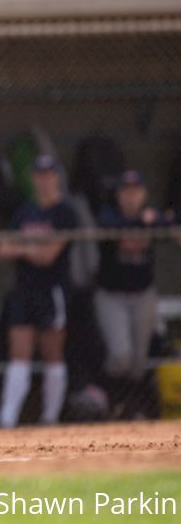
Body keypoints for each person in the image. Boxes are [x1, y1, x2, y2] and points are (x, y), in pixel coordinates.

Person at [0, 154, 78, 428]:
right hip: (24, 289)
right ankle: (7, 419)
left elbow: (49, 256)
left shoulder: (65, 211)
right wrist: (31, 248)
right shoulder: (25, 211)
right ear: (33, 178)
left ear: (57, 177)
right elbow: (3, 249)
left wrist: (26, 248)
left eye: (49, 174)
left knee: (52, 352)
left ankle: (50, 418)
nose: (44, 180)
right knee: (19, 350)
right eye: (39, 175)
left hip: (52, 289)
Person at [93, 170, 161, 416]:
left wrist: (154, 220)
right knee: (120, 356)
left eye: (135, 192)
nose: (131, 197)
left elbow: (168, 223)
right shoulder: (108, 215)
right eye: (126, 192)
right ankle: (107, 398)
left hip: (143, 294)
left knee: (138, 363)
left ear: (143, 194)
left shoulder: (152, 215)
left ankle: (129, 409)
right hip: (113, 295)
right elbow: (113, 230)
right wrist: (144, 223)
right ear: (119, 195)